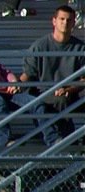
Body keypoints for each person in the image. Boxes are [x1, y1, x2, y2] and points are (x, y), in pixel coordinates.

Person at [19, 4, 85, 141]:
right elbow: (29, 74)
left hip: (72, 92)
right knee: (60, 100)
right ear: (54, 21)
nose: (65, 23)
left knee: (64, 98)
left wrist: (70, 89)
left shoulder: (80, 48)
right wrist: (17, 84)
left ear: (74, 22)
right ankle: (66, 141)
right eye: (62, 19)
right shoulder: (39, 47)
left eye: (69, 20)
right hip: (44, 92)